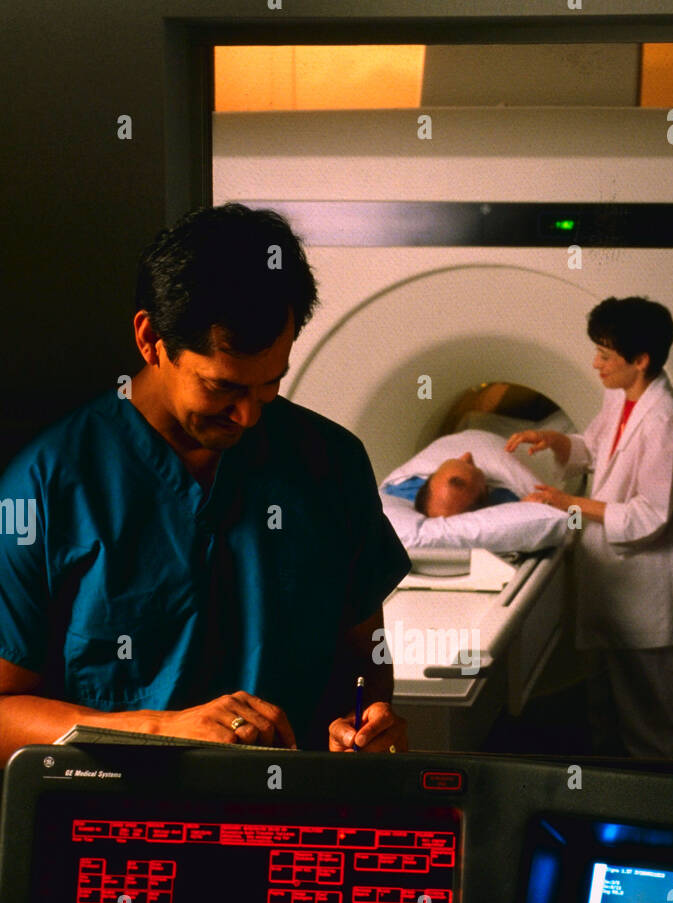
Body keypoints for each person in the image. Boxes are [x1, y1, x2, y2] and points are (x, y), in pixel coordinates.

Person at [0, 204, 410, 764]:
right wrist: (160, 730)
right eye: (222, 388)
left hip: (293, 820)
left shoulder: (329, 463)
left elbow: (367, 658)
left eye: (270, 384)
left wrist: (365, 722)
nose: (249, 416)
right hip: (120, 827)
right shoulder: (45, 488)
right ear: (150, 340)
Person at [506, 296, 673, 758]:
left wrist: (565, 501)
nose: (595, 363)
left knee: (653, 727)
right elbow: (594, 449)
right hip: (612, 585)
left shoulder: (667, 421)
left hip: (648, 592)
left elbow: (649, 516)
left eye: (606, 355)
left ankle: (660, 811)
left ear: (641, 360)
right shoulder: (620, 397)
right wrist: (554, 439)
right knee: (605, 713)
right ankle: (608, 808)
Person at [382, 451, 521, 518]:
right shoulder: (509, 498)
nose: (466, 455)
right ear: (484, 490)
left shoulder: (402, 488)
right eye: (469, 464)